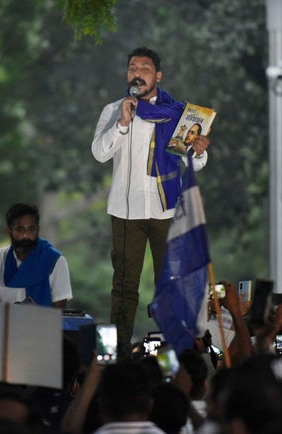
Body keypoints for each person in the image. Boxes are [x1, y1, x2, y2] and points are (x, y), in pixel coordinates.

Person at [91, 47, 210, 358]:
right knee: (123, 287)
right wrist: (122, 123)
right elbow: (99, 153)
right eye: (132, 67)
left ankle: (171, 356)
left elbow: (194, 164)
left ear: (157, 76)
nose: (137, 73)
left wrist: (198, 150)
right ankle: (116, 356)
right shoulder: (114, 109)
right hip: (124, 210)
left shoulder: (179, 113)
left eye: (145, 68)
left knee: (168, 284)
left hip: (165, 210)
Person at [0, 203, 72, 308]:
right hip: (4, 323)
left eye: (31, 230)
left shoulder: (55, 261)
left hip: (42, 324)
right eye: (20, 230)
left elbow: (58, 314)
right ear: (9, 231)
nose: (26, 235)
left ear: (38, 230)